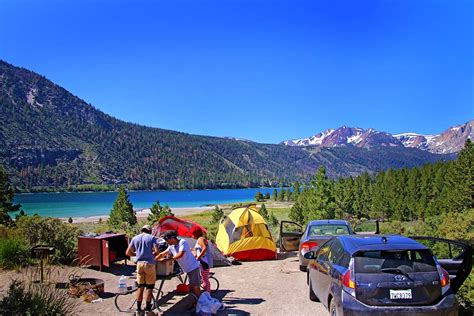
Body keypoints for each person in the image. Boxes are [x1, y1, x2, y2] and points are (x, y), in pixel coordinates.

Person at [156, 230, 201, 298]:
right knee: (192, 286)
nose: (166, 242)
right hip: (188, 269)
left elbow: (180, 254)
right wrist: (155, 259)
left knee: (195, 286)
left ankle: (201, 301)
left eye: (167, 240)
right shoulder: (171, 246)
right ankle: (197, 301)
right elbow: (163, 253)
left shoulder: (182, 242)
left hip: (192, 267)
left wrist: (168, 260)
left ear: (171, 238)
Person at [125, 225, 159, 313]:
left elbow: (128, 252)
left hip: (139, 264)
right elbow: (157, 251)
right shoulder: (152, 238)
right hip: (149, 264)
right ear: (150, 231)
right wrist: (153, 254)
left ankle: (138, 309)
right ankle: (148, 309)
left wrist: (137, 255)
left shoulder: (135, 238)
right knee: (149, 287)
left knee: (140, 287)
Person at [191, 226, 212, 293]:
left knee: (205, 279)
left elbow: (204, 248)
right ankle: (207, 292)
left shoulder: (200, 239)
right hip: (204, 261)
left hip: (204, 262)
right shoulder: (201, 239)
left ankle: (207, 293)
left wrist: (198, 257)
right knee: (204, 278)